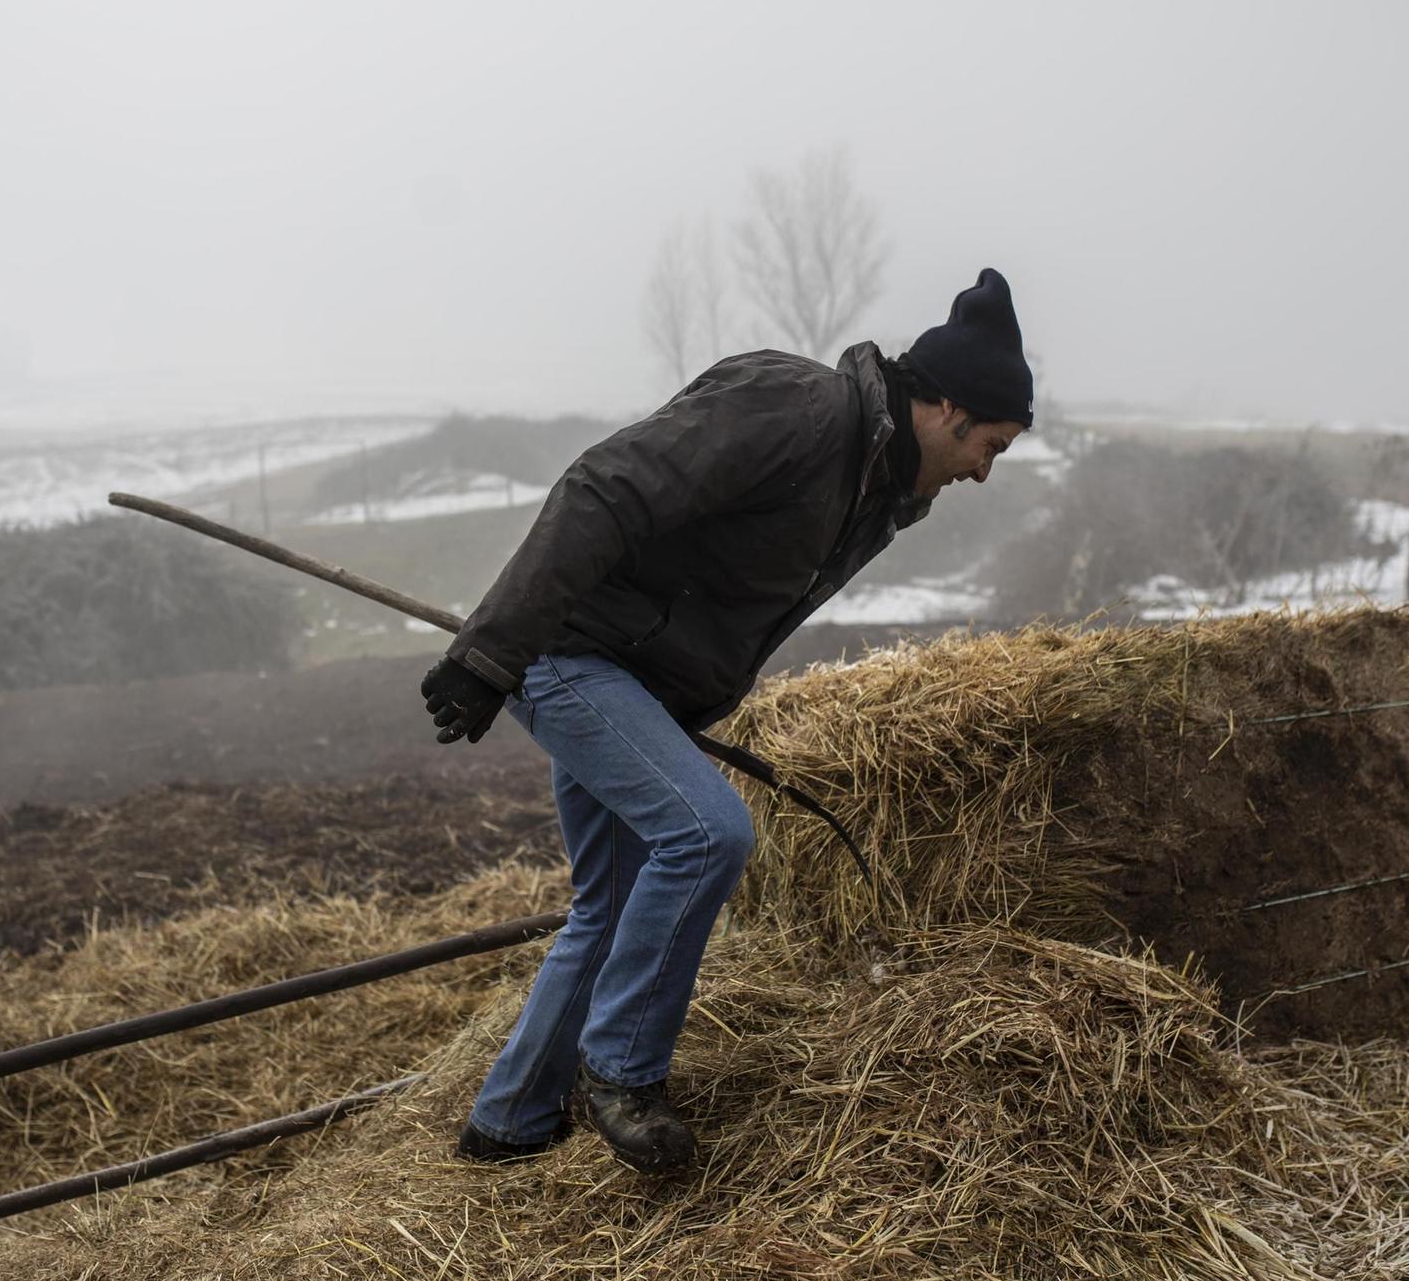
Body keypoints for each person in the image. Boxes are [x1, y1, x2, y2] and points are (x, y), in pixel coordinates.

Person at [420, 268, 1033, 1173]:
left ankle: (509, 1121)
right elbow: (606, 488)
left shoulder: (877, 487)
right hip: (569, 649)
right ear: (946, 406)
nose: (985, 468)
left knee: (615, 902)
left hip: (635, 683)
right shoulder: (797, 409)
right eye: (993, 443)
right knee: (708, 834)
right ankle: (621, 1071)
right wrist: (492, 649)